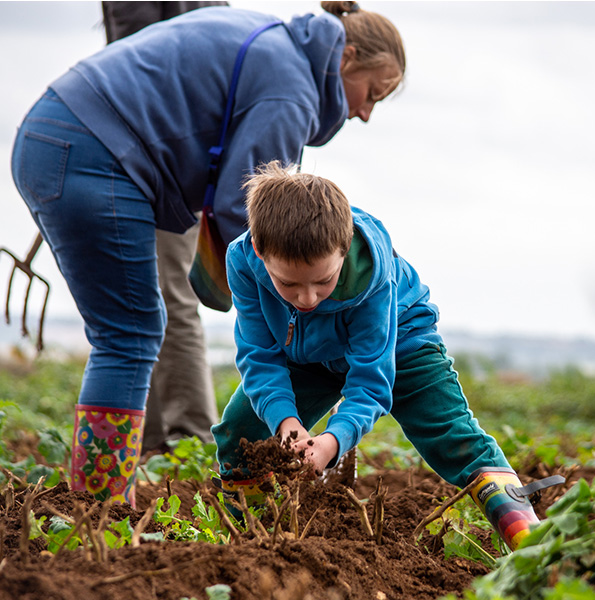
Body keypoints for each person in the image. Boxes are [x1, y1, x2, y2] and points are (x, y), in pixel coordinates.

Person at [11, 1, 405, 508]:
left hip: (62, 136)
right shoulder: (291, 90)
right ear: (347, 57)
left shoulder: (274, 40)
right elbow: (252, 215)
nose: (366, 113)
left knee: (130, 329)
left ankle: (101, 504)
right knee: (128, 334)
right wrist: (284, 309)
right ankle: (101, 512)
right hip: (91, 151)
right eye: (371, 93)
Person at [211, 162, 542, 551]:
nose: (307, 299)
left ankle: (532, 545)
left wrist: (334, 441)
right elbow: (260, 356)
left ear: (344, 248)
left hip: (400, 342)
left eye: (323, 281)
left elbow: (370, 381)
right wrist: (286, 423)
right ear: (260, 253)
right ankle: (251, 544)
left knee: (453, 438)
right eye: (288, 283)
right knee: (242, 432)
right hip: (308, 354)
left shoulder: (372, 277)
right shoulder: (243, 264)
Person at [101, 1, 229, 455]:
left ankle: (190, 440)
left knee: (168, 296)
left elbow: (137, 58)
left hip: (161, 161)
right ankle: (154, 440)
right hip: (161, 156)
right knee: (147, 298)